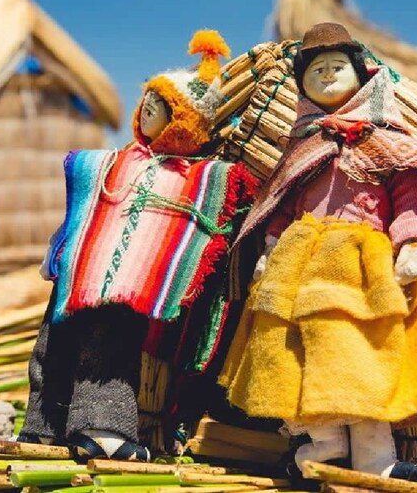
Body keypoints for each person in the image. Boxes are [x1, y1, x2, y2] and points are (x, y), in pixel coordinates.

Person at [218, 23, 417, 483]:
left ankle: (377, 457)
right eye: (316, 71)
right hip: (302, 265)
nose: (327, 76)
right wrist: (270, 248)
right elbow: (282, 203)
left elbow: (412, 195)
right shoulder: (303, 148)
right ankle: (325, 445)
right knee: (303, 353)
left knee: (364, 356)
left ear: (362, 76)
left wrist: (412, 241)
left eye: (336, 67)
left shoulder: (390, 140)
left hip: (363, 267)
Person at [19, 30, 258, 460]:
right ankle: (42, 426)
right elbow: (88, 210)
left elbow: (187, 227)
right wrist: (58, 251)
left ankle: (102, 429)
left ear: (183, 122)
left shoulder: (190, 175)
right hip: (80, 272)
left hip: (127, 284)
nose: (145, 111)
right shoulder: (118, 160)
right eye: (145, 103)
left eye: (158, 108)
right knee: (53, 342)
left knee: (106, 344)